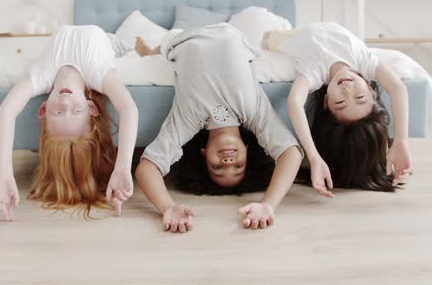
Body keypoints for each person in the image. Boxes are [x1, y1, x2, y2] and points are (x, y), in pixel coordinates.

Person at [134, 24, 302, 233]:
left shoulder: (188, 121)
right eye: (238, 167)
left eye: (218, 168)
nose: (229, 163)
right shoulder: (254, 114)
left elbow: (146, 168)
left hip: (181, 38)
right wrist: (268, 204)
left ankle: (149, 51)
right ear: (248, 151)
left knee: (163, 47)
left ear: (204, 155)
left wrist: (167, 207)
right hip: (231, 32)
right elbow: (292, 153)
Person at [0, 25, 138, 220]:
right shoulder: (98, 72)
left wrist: (3, 175)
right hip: (114, 44)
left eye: (58, 112)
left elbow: (6, 112)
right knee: (134, 47)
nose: (65, 102)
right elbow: (129, 109)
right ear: (91, 107)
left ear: (43, 109)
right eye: (76, 111)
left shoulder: (41, 75)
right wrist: (123, 167)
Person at [264, 23, 412, 195]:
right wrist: (401, 140)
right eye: (360, 98)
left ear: (326, 101)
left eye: (340, 102)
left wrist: (313, 157)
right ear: (372, 91)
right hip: (318, 26)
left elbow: (295, 102)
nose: (347, 91)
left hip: (288, 37)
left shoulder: (315, 70)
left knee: (267, 37)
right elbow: (398, 88)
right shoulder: (364, 61)